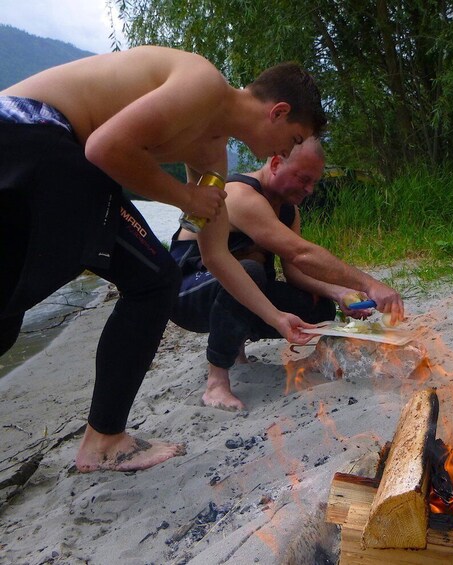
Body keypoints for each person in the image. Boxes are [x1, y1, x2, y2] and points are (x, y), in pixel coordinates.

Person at [0, 45, 327, 472]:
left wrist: (277, 317)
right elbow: (105, 147)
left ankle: (102, 439)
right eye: (296, 138)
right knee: (153, 279)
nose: (288, 149)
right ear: (278, 112)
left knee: (8, 317)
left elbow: (215, 258)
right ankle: (104, 440)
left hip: (34, 145)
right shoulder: (205, 84)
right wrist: (185, 196)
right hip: (34, 133)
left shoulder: (211, 154)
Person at [170, 137, 404, 411]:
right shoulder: (240, 194)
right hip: (185, 293)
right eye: (303, 179)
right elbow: (300, 252)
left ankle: (238, 351)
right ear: (276, 163)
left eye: (314, 182)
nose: (309, 189)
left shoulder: (289, 211)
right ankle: (217, 382)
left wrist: (340, 293)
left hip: (236, 290)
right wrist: (370, 284)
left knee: (317, 305)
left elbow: (296, 272)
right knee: (250, 270)